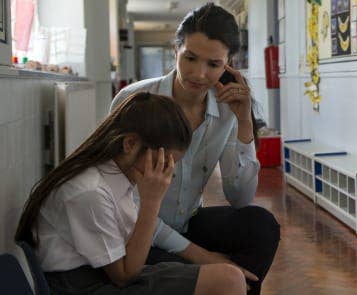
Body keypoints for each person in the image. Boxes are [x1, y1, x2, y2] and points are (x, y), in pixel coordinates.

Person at [110, 3, 280, 294]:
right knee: (198, 273)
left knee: (261, 224)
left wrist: (243, 122)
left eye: (213, 65)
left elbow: (240, 198)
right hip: (137, 232)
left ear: (228, 65)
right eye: (190, 58)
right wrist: (202, 257)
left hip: (186, 223)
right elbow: (122, 201)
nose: (199, 74)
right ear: (175, 50)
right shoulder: (134, 100)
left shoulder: (227, 109)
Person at [15, 92, 248, 294]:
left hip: (102, 274)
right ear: (130, 144)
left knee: (228, 276)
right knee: (226, 282)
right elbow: (124, 275)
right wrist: (151, 201)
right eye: (163, 161)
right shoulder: (90, 192)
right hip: (83, 285)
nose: (168, 171)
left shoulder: (116, 175)